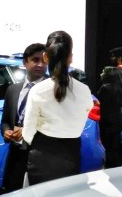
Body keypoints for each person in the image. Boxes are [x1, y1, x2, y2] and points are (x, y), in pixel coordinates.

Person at [22, 31, 93, 185]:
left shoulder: (38, 90)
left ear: (46, 57)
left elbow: (27, 133)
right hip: (71, 156)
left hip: (41, 157)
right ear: (71, 57)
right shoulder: (84, 91)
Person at [0, 43, 46, 193]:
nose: (41, 65)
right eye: (35, 60)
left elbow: (54, 122)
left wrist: (27, 130)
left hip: (41, 155)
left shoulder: (52, 90)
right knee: (13, 195)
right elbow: (5, 121)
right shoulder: (13, 90)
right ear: (25, 62)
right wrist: (6, 131)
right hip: (16, 154)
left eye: (44, 61)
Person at [96, 66, 122, 168]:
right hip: (117, 120)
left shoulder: (105, 88)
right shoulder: (119, 88)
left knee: (108, 147)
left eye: (103, 72)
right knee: (115, 147)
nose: (101, 74)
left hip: (107, 122)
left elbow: (103, 107)